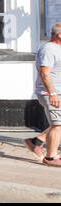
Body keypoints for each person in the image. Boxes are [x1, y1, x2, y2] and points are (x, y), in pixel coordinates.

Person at [25, 22, 61, 165]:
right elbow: (44, 73)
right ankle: (51, 157)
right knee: (57, 125)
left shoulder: (57, 48)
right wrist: (52, 93)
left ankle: (36, 141)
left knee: (59, 124)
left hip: (57, 91)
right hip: (52, 93)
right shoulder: (48, 49)